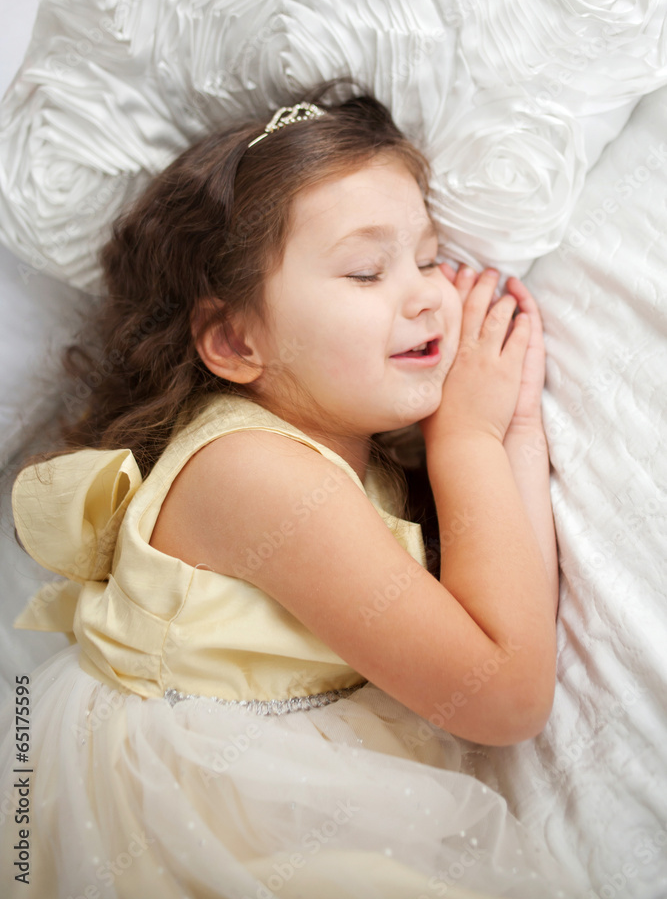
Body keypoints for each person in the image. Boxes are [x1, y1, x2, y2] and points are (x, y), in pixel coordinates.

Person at [0, 80, 575, 899]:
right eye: (366, 271)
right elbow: (506, 699)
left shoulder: (353, 456)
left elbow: (505, 620)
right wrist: (470, 437)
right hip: (192, 804)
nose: (426, 295)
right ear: (236, 339)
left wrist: (511, 425)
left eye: (428, 257)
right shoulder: (250, 474)